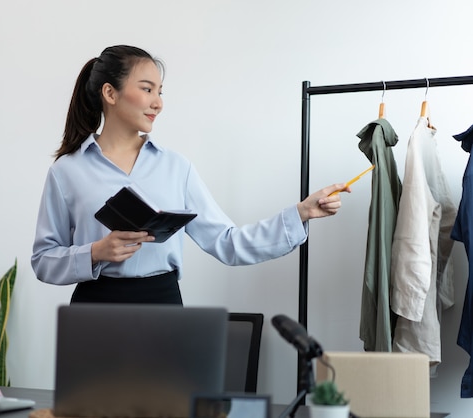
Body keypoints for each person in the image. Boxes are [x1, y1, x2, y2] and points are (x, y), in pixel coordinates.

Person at [31, 45, 350, 305]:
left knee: (166, 388)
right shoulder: (67, 171)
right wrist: (95, 252)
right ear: (110, 94)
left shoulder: (176, 167)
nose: (158, 102)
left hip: (162, 306)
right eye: (147, 89)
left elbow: (228, 243)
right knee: (94, 389)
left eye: (160, 91)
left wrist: (301, 213)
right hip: (95, 308)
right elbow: (43, 259)